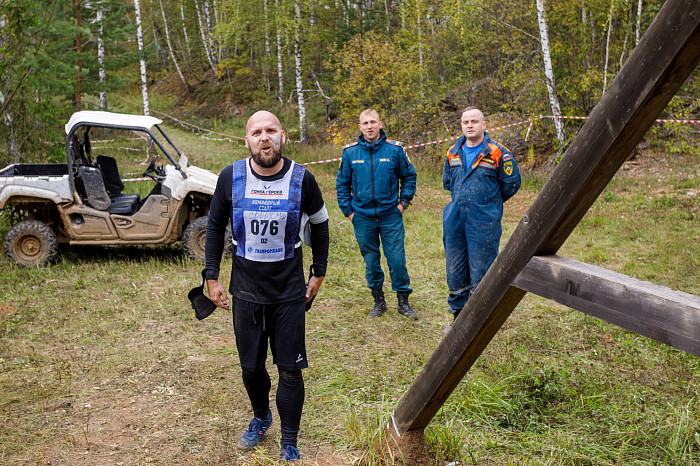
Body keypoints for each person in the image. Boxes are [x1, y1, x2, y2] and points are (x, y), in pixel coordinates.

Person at [204, 110, 329, 462]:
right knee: (251, 367)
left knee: (290, 367)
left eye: (271, 130)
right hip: (245, 292)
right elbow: (214, 228)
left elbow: (320, 224)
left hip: (289, 292)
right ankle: (261, 416)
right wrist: (211, 277)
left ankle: (289, 439)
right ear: (247, 140)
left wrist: (318, 271)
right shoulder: (231, 177)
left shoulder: (303, 179)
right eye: (257, 131)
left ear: (282, 136)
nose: (265, 137)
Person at [442, 106, 521, 331]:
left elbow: (511, 184)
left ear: (484, 125)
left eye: (474, 121)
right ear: (461, 125)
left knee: (482, 270)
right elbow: (448, 182)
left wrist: (489, 203)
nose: (470, 125)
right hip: (455, 219)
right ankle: (458, 317)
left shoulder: (498, 153)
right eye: (466, 122)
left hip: (484, 222)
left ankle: (480, 320)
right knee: (455, 268)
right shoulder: (452, 152)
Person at [336, 109, 418, 320]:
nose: (369, 126)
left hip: (390, 215)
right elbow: (342, 184)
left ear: (380, 124)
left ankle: (403, 302)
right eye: (365, 123)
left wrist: (403, 204)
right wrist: (349, 212)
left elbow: (409, 177)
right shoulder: (350, 153)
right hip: (362, 217)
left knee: (397, 259)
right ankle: (378, 301)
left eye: (373, 122)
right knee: (371, 261)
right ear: (360, 127)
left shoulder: (395, 150)